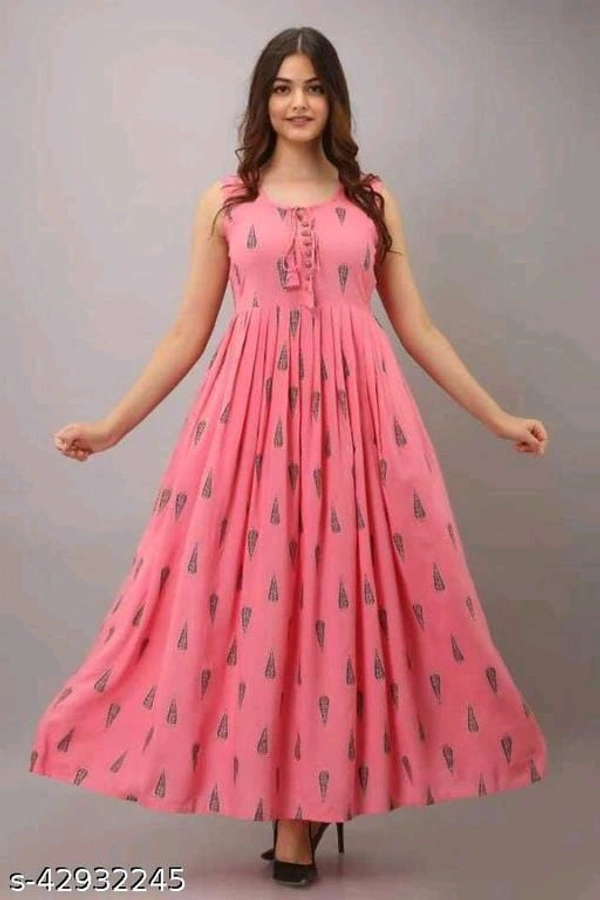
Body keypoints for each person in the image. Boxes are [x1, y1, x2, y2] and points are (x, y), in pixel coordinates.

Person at [29, 26, 549, 889]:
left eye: (312, 86)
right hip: (251, 430)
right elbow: (188, 332)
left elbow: (417, 326)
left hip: (358, 427)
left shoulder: (371, 199)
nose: (297, 102)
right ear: (262, 101)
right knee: (259, 602)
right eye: (281, 87)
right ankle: (288, 804)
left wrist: (497, 416)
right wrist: (112, 425)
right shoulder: (226, 202)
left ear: (334, 99)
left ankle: (307, 807)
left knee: (338, 601)